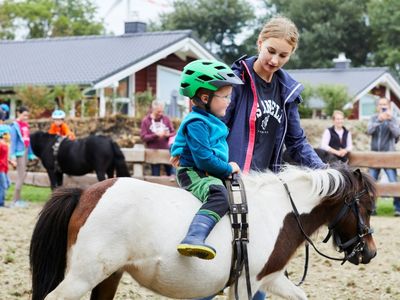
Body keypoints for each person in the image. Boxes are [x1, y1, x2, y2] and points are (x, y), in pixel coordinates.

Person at [223, 16, 326, 300]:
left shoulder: (287, 90)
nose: (274, 60)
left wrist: (325, 173)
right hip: (230, 179)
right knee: (220, 266)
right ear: (259, 43)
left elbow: (296, 142)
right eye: (270, 51)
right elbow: (218, 124)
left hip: (265, 190)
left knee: (259, 267)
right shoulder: (237, 79)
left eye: (283, 55)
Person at [171, 59, 242, 260]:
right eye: (225, 96)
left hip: (206, 172)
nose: (229, 101)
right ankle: (194, 237)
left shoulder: (210, 121)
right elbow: (204, 160)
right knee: (219, 195)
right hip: (194, 173)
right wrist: (228, 168)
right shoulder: (197, 122)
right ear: (205, 96)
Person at [367, 97, 400, 216]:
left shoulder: (394, 119)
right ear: (377, 107)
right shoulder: (373, 118)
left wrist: (389, 120)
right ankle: (371, 208)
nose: (382, 106)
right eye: (380, 104)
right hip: (375, 156)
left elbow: (397, 134)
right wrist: (379, 120)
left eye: (384, 104)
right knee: (370, 183)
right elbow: (369, 131)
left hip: (389, 156)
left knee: (393, 182)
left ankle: (398, 209)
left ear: (389, 106)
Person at [9, 106, 36, 207]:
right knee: (20, 176)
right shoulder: (14, 126)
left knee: (22, 175)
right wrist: (12, 156)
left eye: (27, 115)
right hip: (19, 153)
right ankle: (15, 201)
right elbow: (13, 142)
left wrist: (30, 153)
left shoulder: (25, 125)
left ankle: (18, 199)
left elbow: (27, 141)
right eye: (24, 115)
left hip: (25, 152)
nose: (26, 117)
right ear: (18, 113)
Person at [140, 100, 175, 176]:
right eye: (158, 112)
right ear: (153, 110)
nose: (160, 114)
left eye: (162, 111)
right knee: (155, 175)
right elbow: (143, 137)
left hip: (166, 152)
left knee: (171, 175)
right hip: (153, 152)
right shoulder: (146, 121)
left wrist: (167, 135)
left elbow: (173, 133)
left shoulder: (166, 119)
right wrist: (155, 135)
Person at [0, 126, 11, 207]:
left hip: (5, 168)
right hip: (1, 168)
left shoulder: (5, 144)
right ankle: (1, 203)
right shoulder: (0, 145)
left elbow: (5, 157)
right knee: (4, 185)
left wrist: (10, 162)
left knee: (7, 184)